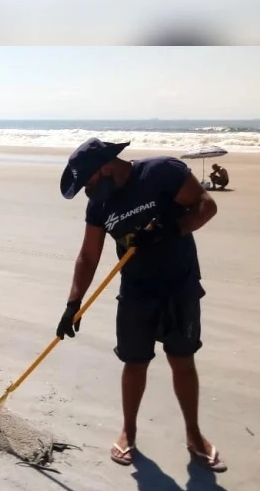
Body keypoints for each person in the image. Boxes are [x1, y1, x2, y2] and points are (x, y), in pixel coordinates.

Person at [57, 137, 225, 471]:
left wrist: (171, 228)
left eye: (88, 183)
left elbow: (206, 205)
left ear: (106, 167)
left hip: (180, 286)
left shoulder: (162, 172)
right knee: (135, 362)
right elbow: (88, 256)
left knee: (182, 360)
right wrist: (73, 303)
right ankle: (129, 431)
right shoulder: (100, 204)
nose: (88, 191)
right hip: (136, 291)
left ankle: (193, 433)